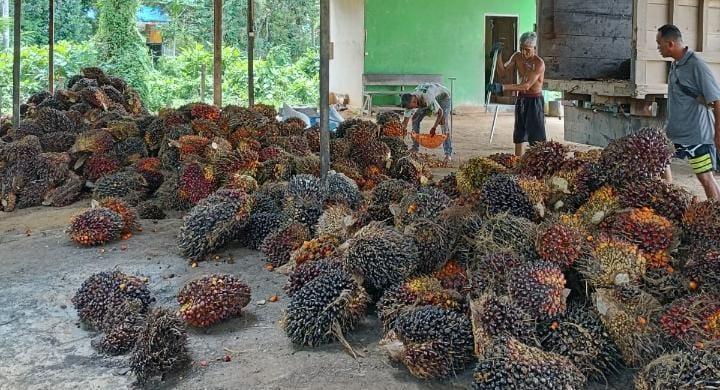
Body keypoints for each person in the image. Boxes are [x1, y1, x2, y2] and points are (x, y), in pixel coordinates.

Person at [656, 24, 720, 200]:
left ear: (670, 44)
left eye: (659, 44)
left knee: (705, 177)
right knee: (659, 157)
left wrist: (718, 133)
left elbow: (717, 99)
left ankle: (715, 215)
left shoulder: (697, 65)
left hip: (696, 136)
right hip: (675, 133)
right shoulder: (676, 64)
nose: (657, 48)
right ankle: (668, 199)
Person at [487, 32, 547, 156]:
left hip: (534, 101)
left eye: (527, 50)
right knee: (519, 135)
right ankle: (518, 164)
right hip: (522, 99)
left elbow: (526, 85)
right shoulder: (517, 56)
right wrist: (497, 55)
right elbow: (502, 72)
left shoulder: (538, 63)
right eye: (521, 49)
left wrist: (502, 87)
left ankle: (538, 164)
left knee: (536, 138)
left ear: (535, 48)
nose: (524, 53)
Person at [400, 82, 453, 161]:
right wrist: (401, 130)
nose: (412, 108)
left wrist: (434, 127)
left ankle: (448, 153)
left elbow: (440, 112)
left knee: (443, 123)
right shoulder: (409, 102)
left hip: (443, 97)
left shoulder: (427, 98)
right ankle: (415, 148)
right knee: (415, 118)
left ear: (414, 101)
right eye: (410, 108)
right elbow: (405, 122)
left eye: (412, 107)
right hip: (427, 99)